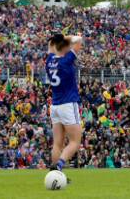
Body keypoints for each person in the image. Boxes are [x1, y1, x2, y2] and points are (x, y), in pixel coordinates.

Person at [46, 33, 83, 182]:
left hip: (54, 105)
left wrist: (58, 39)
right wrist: (65, 37)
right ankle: (59, 167)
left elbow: (50, 44)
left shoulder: (49, 60)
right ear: (67, 48)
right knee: (75, 141)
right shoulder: (67, 60)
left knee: (57, 143)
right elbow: (79, 39)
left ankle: (55, 175)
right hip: (68, 104)